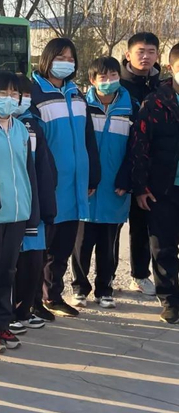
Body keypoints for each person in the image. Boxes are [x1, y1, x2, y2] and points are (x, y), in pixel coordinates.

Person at [31, 38, 100, 318]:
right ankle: (32, 300)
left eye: (71, 59)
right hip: (49, 183)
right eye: (60, 57)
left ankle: (53, 295)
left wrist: (92, 175)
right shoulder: (35, 94)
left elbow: (88, 137)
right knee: (41, 246)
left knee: (63, 247)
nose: (66, 63)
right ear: (47, 59)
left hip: (75, 184)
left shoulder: (77, 94)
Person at [0, 71, 39, 352]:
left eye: (14, 94)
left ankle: (2, 323)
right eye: (3, 93)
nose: (9, 99)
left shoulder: (21, 128)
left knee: (7, 272)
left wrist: (32, 210)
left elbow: (28, 171)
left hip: (17, 211)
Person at [70, 57, 134, 310]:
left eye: (113, 76)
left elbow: (136, 148)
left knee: (109, 244)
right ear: (92, 80)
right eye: (103, 77)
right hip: (88, 186)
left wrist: (127, 178)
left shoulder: (131, 107)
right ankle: (79, 288)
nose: (109, 81)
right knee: (81, 243)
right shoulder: (81, 107)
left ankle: (105, 289)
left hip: (115, 188)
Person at [129, 43, 179, 324]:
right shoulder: (155, 102)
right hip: (163, 187)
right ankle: (170, 300)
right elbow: (140, 146)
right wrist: (141, 187)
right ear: (171, 68)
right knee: (163, 245)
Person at [13, 74, 58, 327]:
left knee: (33, 263)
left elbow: (45, 167)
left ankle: (26, 308)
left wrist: (47, 205)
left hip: (35, 207)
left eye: (28, 95)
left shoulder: (34, 124)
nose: (24, 99)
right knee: (12, 265)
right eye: (18, 94)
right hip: (12, 208)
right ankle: (10, 312)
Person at [121, 32, 162, 297]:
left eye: (150, 52)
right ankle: (101, 281)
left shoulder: (163, 86)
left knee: (145, 221)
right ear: (128, 54)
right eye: (140, 51)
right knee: (110, 226)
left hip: (153, 164)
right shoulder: (119, 85)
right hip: (120, 159)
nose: (145, 56)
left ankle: (140, 274)